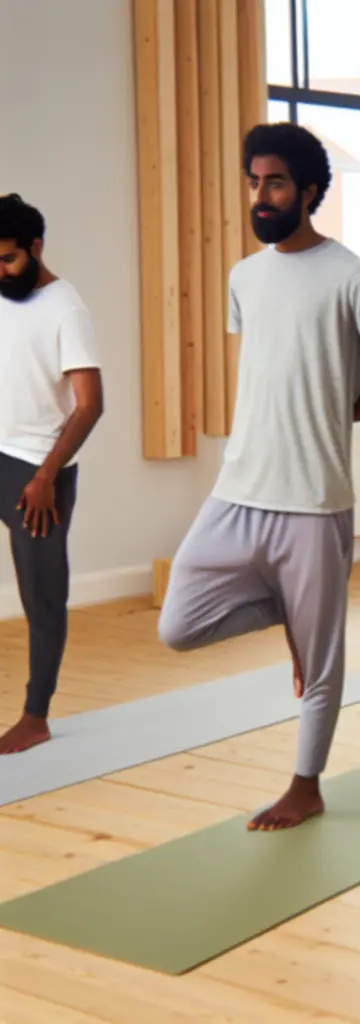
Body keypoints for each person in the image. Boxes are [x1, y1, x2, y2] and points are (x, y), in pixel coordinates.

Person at [157, 123, 360, 831]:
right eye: (252, 181)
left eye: (273, 182)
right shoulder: (244, 276)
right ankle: (293, 611)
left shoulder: (349, 273)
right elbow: (271, 370)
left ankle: (306, 786)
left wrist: (329, 418)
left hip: (313, 498)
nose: (260, 195)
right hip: (237, 488)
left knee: (322, 662)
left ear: (307, 191)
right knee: (178, 624)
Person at [0, 193, 104, 754]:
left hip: (38, 473)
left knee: (42, 597)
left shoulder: (67, 308)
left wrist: (44, 477)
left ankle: (35, 716)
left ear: (36, 248)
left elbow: (90, 404)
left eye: (8, 260)